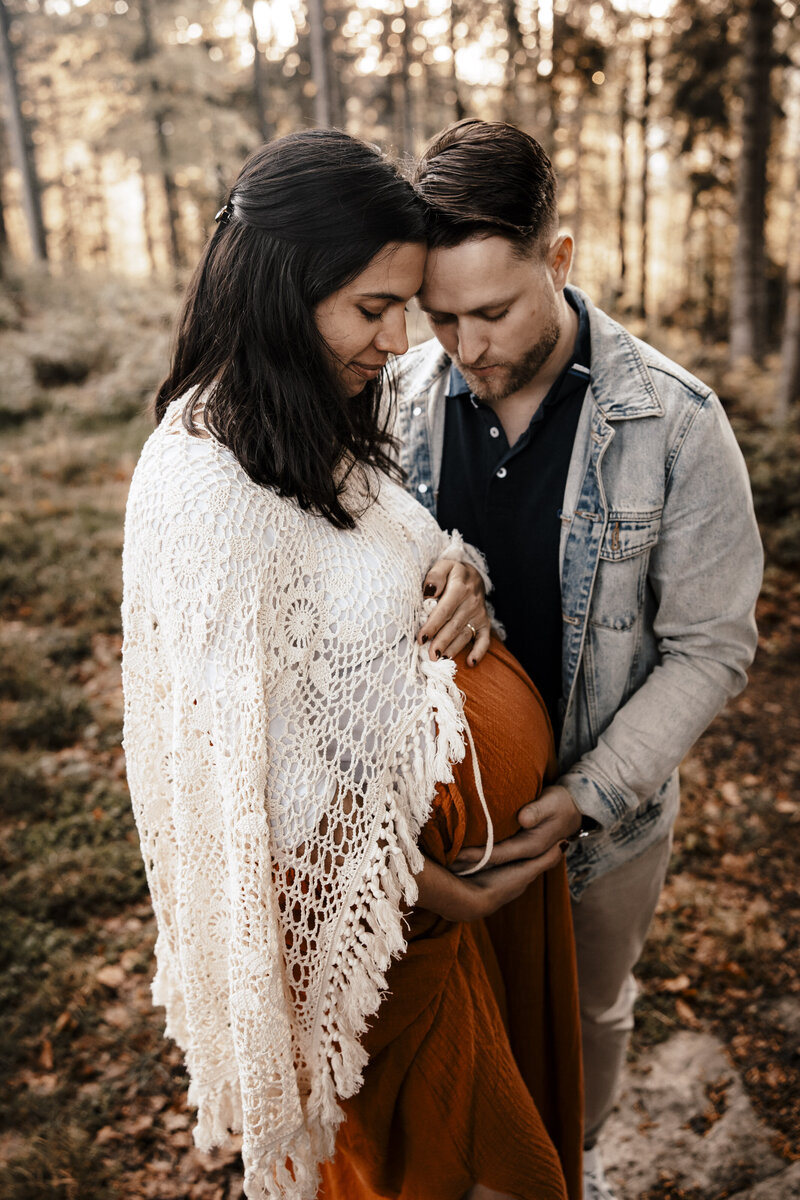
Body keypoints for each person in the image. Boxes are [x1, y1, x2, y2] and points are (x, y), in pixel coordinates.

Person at [121, 129, 583, 1200]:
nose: (396, 341)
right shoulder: (197, 482)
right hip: (374, 936)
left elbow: (388, 556)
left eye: (402, 309)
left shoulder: (308, 427)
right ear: (286, 291)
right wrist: (427, 891)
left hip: (435, 921)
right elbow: (248, 784)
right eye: (372, 308)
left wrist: (458, 573)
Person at [390, 119, 763, 1200]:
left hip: (604, 829)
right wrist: (432, 564)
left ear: (557, 260)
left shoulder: (676, 425)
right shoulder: (394, 398)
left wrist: (587, 795)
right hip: (429, 810)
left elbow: (710, 648)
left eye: (493, 311)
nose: (465, 346)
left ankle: (574, 1155)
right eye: (439, 315)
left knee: (590, 1013)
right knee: (452, 1007)